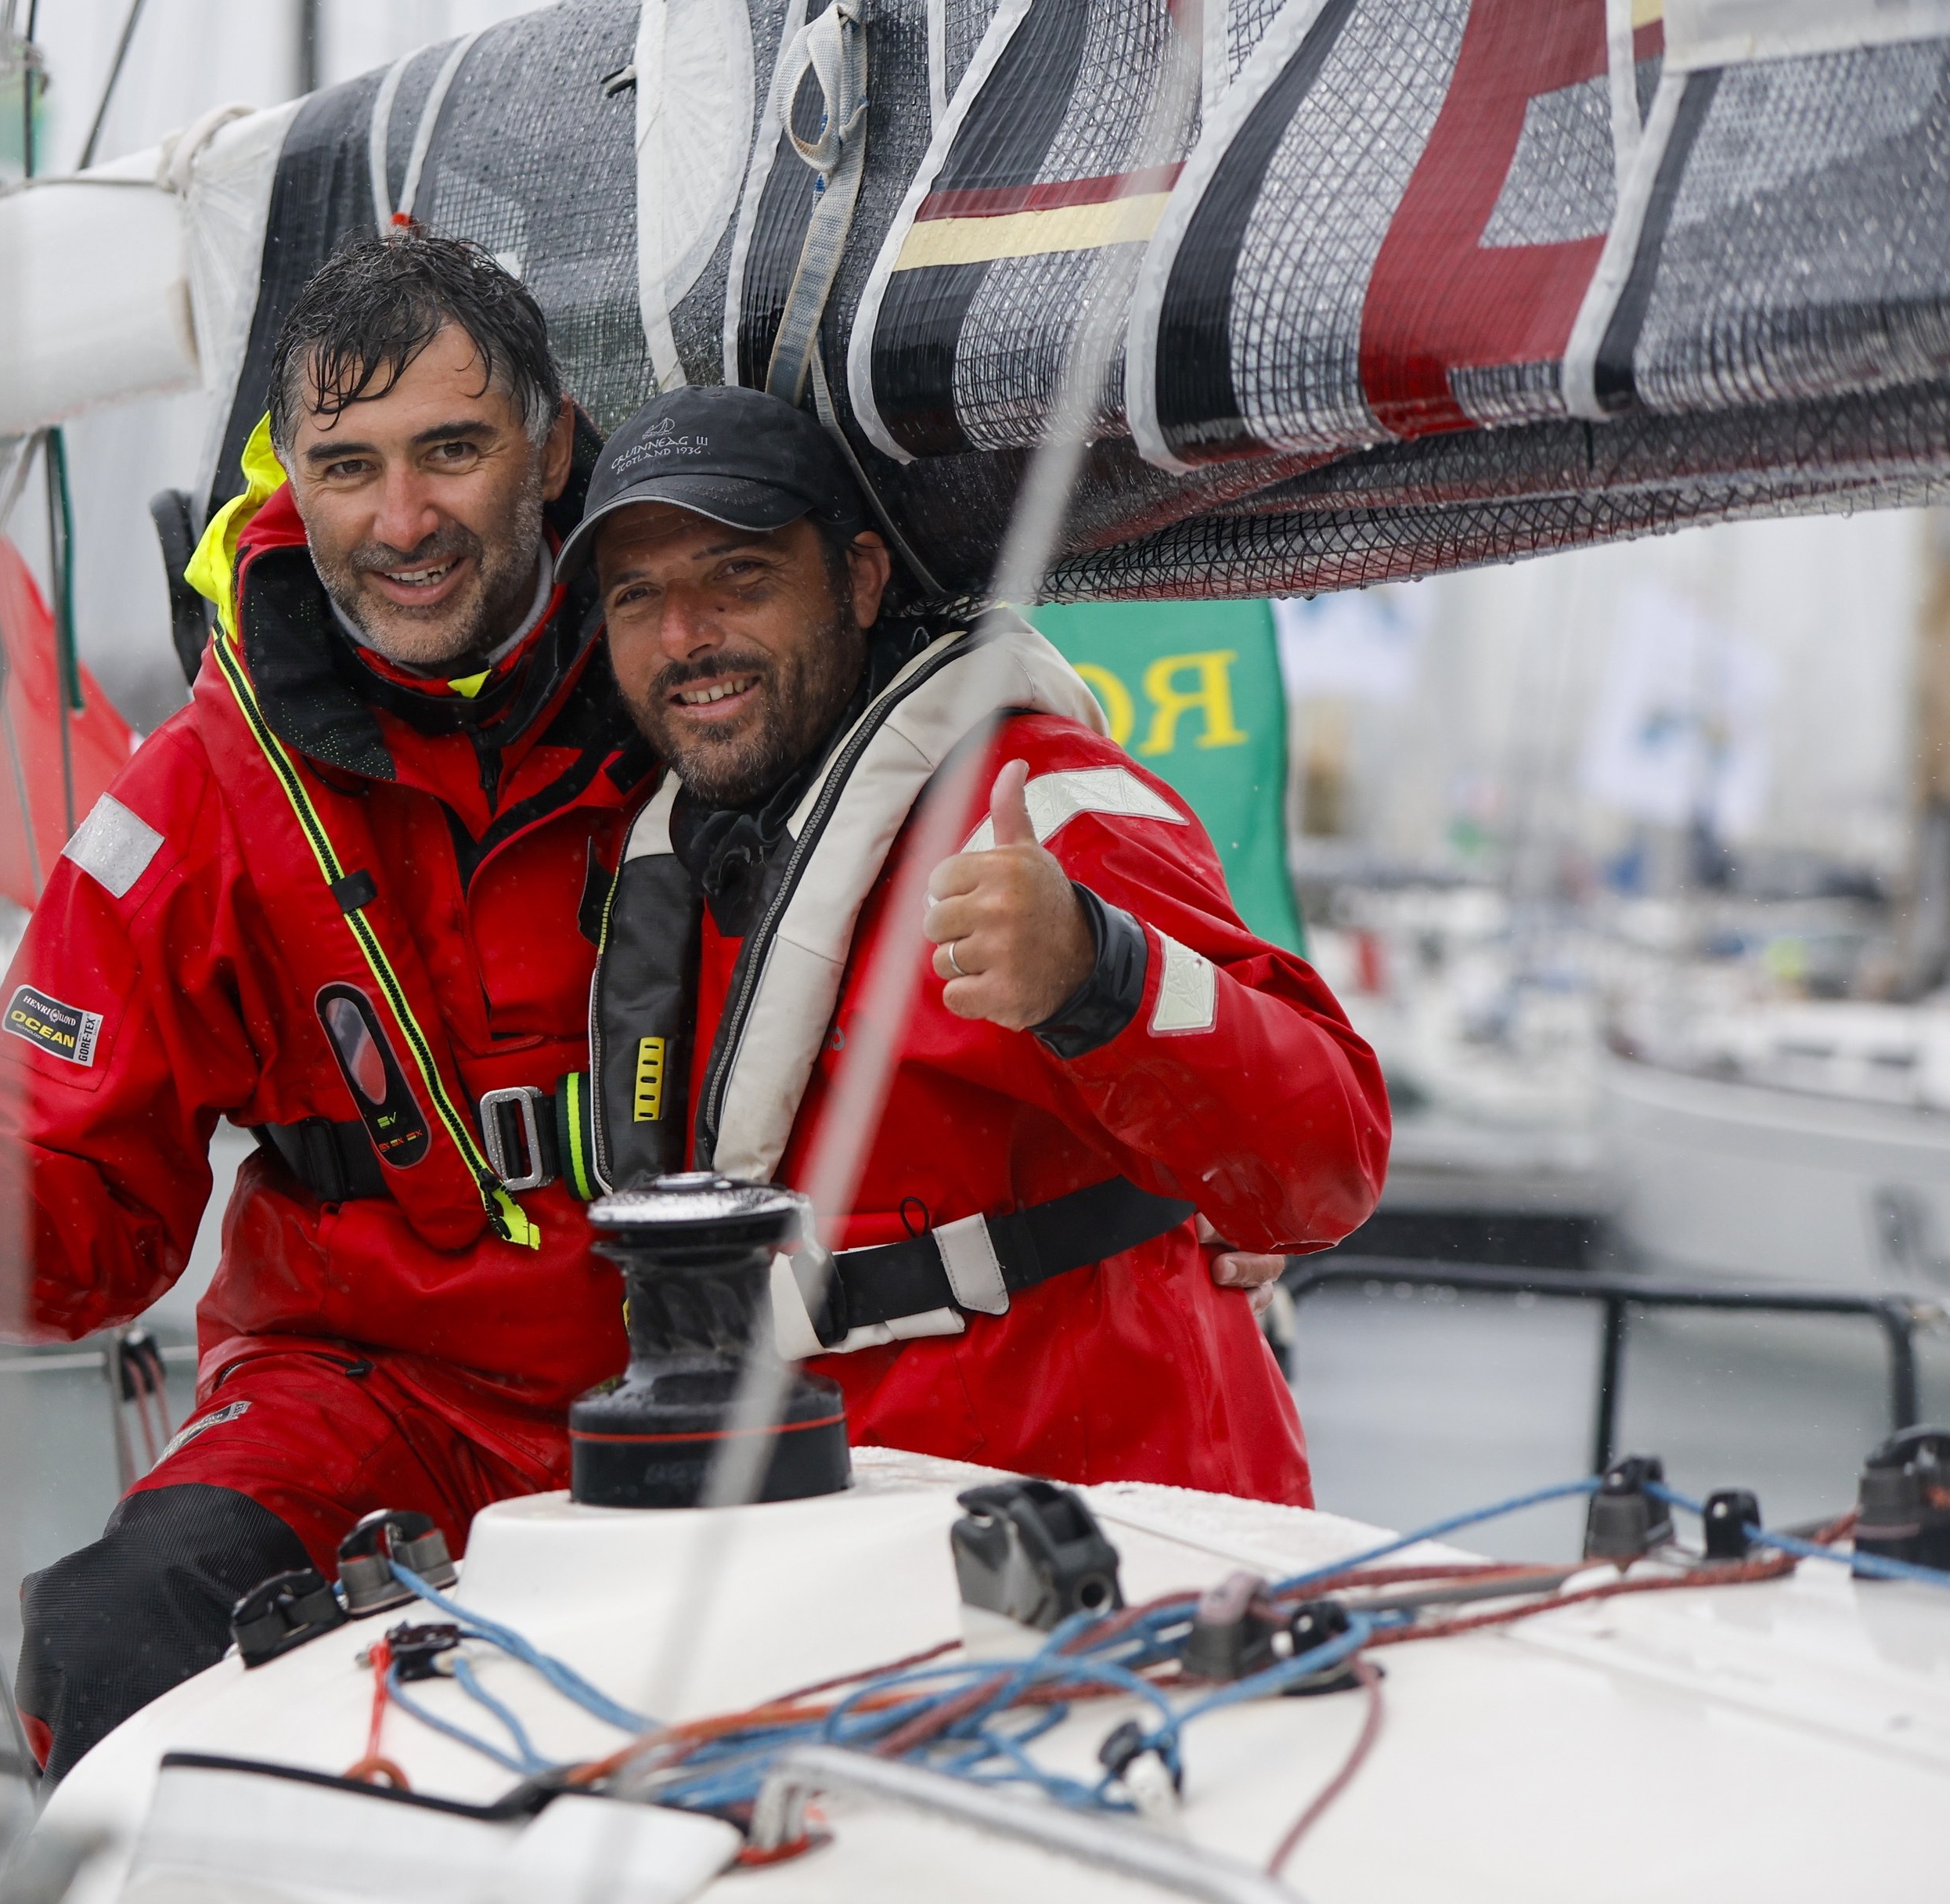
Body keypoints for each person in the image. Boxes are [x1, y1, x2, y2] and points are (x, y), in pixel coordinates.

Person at [0, 234, 653, 1776]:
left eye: (453, 449)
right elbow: (87, 1205)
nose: (404, 519)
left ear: (553, 442)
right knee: (117, 1629)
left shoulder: (697, 684)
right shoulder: (204, 792)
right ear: (288, 476)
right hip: (371, 1396)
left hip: (705, 1375)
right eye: (348, 464)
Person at [561, 384, 1389, 1505]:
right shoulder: (650, 866)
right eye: (637, 596)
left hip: (1106, 1550)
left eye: (739, 578)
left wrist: (1097, 974)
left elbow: (1327, 1161)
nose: (684, 636)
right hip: (814, 1550)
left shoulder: (1045, 803)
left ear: (858, 579)